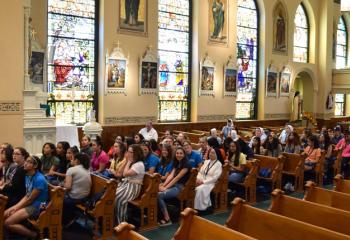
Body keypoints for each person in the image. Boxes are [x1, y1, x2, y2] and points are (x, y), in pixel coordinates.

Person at [4, 155, 48, 239]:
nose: (25, 163)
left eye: (29, 162)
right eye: (26, 161)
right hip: (30, 203)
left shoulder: (39, 179)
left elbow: (30, 199)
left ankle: (34, 235)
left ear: (35, 166)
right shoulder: (28, 175)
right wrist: (16, 207)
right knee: (4, 215)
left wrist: (16, 209)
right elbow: (27, 195)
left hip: (38, 206)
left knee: (8, 223)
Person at [157, 147, 191, 226]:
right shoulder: (176, 163)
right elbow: (171, 176)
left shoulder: (186, 164)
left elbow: (177, 178)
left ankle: (167, 218)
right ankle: (161, 215)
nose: (179, 155)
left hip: (180, 187)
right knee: (157, 190)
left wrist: (166, 188)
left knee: (159, 196)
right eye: (177, 153)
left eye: (181, 153)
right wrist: (163, 185)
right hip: (174, 185)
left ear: (184, 154)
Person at [115, 144, 145, 224]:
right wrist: (126, 161)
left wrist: (128, 162)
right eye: (128, 151)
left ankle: (122, 222)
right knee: (112, 194)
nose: (128, 154)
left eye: (131, 152)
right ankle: (115, 220)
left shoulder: (139, 164)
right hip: (126, 185)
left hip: (133, 188)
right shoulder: (133, 162)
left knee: (120, 198)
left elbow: (125, 174)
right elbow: (120, 173)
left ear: (136, 153)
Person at [62, 153, 92, 226]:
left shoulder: (71, 169)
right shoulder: (87, 169)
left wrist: (63, 185)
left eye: (72, 159)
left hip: (75, 197)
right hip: (85, 197)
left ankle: (65, 221)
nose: (71, 160)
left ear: (77, 160)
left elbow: (68, 187)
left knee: (57, 198)